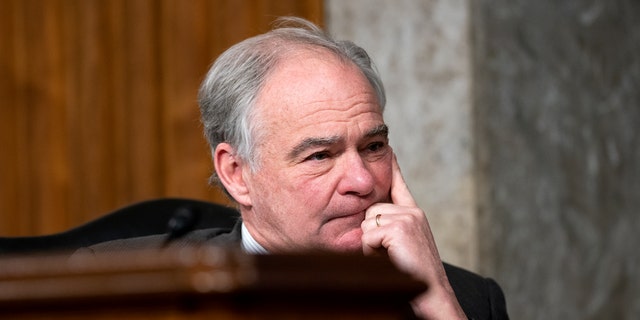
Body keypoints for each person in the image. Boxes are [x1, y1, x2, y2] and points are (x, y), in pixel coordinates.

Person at [87, 17, 508, 319]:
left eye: (373, 146)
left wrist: (436, 303)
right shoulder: (116, 286)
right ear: (237, 173)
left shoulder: (466, 300)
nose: (362, 182)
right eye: (320, 156)